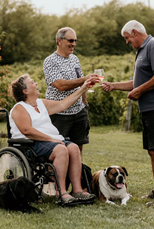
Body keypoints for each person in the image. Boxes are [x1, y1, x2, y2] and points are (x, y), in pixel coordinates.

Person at [101, 20, 154, 206]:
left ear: (135, 32)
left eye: (127, 38)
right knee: (153, 151)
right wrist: (113, 86)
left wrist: (140, 91)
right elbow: (137, 82)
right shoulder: (142, 52)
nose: (127, 42)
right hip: (150, 109)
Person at [9, 74, 96, 205]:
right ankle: (61, 192)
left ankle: (77, 190)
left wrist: (83, 88)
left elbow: (63, 104)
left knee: (73, 147)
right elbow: (26, 130)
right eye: (32, 82)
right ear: (25, 91)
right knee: (61, 150)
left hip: (52, 140)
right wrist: (50, 139)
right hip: (32, 143)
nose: (36, 84)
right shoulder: (19, 108)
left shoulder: (41, 103)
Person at [43, 27, 99, 157]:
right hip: (59, 114)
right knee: (59, 148)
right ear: (59, 41)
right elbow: (60, 85)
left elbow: (81, 80)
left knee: (78, 148)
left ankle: (77, 175)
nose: (73, 44)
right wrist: (85, 79)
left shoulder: (74, 59)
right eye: (70, 40)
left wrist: (84, 104)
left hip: (79, 112)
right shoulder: (50, 61)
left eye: (75, 41)